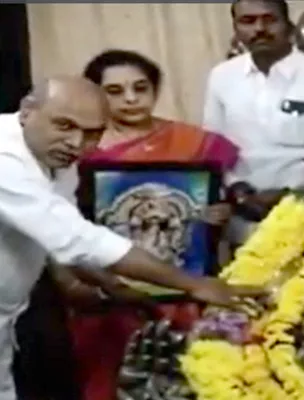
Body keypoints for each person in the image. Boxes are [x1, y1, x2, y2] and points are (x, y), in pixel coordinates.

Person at [0, 75, 264, 400]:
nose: (77, 143)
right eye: (64, 126)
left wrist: (114, 287)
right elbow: (79, 240)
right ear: (27, 112)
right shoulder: (5, 160)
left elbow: (66, 239)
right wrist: (194, 283)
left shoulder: (55, 154)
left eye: (92, 133)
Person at [53, 49, 242, 400]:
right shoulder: (77, 153)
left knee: (186, 377)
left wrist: (218, 213)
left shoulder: (194, 143)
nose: (130, 99)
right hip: (104, 290)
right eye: (115, 91)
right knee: (109, 379)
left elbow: (215, 199)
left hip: (182, 290)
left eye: (140, 88)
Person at [203, 0, 304, 245]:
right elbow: (214, 146)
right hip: (240, 212)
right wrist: (239, 193)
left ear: (289, 25)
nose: (259, 28)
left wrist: (291, 196)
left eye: (270, 19)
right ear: (235, 28)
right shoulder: (222, 77)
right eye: (248, 21)